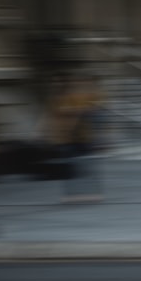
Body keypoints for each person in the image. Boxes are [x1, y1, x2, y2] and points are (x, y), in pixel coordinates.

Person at [44, 72, 105, 202]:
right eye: (53, 83)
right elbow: (51, 116)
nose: (54, 85)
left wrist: (71, 120)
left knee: (84, 165)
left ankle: (91, 191)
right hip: (65, 137)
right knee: (68, 165)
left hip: (80, 136)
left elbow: (83, 112)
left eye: (57, 83)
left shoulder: (74, 97)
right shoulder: (56, 98)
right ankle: (71, 193)